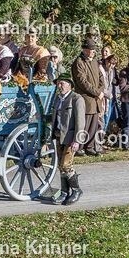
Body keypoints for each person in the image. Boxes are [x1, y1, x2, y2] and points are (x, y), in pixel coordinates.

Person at [47, 72, 86, 205]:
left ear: (69, 85)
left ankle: (76, 190)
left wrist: (77, 140)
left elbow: (81, 122)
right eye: (58, 83)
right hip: (58, 136)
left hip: (70, 138)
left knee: (66, 165)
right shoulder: (58, 98)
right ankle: (64, 192)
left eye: (62, 83)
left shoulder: (76, 99)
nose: (60, 85)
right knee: (60, 166)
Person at [70, 38, 104, 155]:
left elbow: (101, 78)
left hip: (95, 99)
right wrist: (97, 92)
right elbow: (82, 82)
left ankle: (90, 147)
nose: (93, 52)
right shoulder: (79, 62)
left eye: (94, 50)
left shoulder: (94, 61)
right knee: (83, 125)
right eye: (91, 49)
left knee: (93, 125)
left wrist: (101, 90)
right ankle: (79, 147)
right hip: (85, 98)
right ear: (85, 49)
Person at [100, 47, 119, 131]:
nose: (104, 53)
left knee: (108, 117)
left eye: (106, 51)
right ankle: (100, 135)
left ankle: (104, 133)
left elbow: (115, 81)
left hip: (110, 96)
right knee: (102, 117)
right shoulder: (99, 67)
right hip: (102, 95)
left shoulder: (112, 69)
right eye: (103, 51)